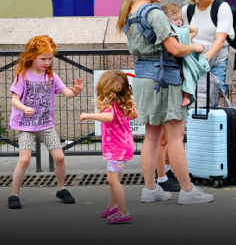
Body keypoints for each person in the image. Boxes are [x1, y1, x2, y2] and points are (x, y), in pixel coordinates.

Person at [117, 0, 214, 204]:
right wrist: (195, 47)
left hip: (143, 77)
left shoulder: (130, 11)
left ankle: (150, 189)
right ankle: (188, 191)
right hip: (165, 79)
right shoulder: (155, 13)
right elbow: (174, 49)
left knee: (150, 138)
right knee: (175, 138)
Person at [7, 35, 85, 209]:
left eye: (50, 58)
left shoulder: (51, 76)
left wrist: (76, 92)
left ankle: (61, 188)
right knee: (24, 160)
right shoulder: (22, 75)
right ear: (32, 56)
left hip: (45, 124)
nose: (47, 62)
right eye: (43, 58)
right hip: (26, 125)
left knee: (59, 157)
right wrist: (23, 107)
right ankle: (14, 194)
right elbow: (14, 100)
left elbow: (67, 93)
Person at [154, 2, 207, 192]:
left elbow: (193, 29)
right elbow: (177, 49)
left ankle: (166, 174)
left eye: (180, 18)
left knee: (169, 138)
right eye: (175, 19)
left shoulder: (177, 33)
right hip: (167, 82)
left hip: (173, 79)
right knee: (164, 138)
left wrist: (179, 24)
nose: (179, 22)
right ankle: (163, 177)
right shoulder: (166, 36)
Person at [80, 70, 139, 223]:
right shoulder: (124, 102)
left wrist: (89, 115)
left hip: (117, 148)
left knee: (113, 180)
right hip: (123, 145)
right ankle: (113, 205)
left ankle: (124, 211)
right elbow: (135, 115)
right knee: (113, 178)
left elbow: (109, 117)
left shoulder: (111, 104)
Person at [183, 0, 234, 97]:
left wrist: (205, 59)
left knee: (212, 99)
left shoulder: (222, 7)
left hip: (219, 61)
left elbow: (221, 39)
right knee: (195, 101)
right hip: (195, 60)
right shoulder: (186, 10)